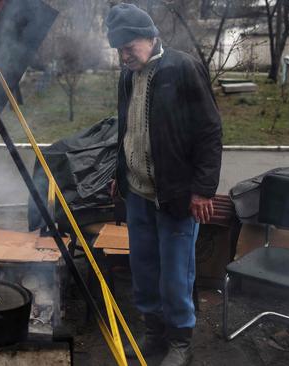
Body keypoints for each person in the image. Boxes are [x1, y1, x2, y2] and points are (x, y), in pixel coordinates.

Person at [105, 4, 222, 366]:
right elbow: (126, 129)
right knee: (143, 270)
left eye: (130, 47)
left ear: (152, 37)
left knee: (175, 275)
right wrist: (118, 173)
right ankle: (154, 335)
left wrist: (202, 189)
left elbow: (209, 131)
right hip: (138, 194)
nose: (125, 55)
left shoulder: (182, 68)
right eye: (119, 49)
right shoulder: (128, 76)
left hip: (174, 197)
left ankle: (179, 342)